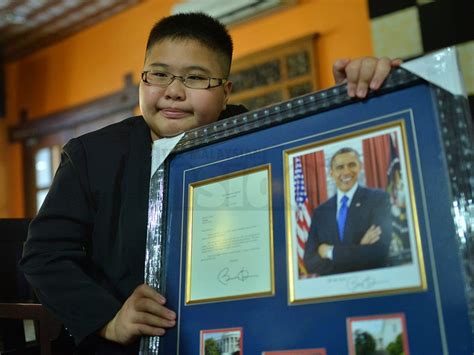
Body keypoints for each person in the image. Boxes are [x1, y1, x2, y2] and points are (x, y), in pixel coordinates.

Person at [19, 12, 398, 353]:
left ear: (225, 92)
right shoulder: (92, 155)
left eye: (196, 78)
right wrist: (110, 320)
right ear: (143, 78)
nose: (173, 90)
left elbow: (319, 168)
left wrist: (352, 101)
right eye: (159, 74)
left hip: (249, 330)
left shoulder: (259, 136)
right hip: (128, 345)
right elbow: (44, 256)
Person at [303, 147, 392, 276]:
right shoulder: (320, 212)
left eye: (352, 165)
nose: (346, 172)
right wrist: (360, 248)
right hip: (333, 291)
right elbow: (310, 262)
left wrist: (330, 252)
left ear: (360, 167)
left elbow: (379, 252)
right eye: (340, 167)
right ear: (331, 173)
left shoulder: (378, 199)